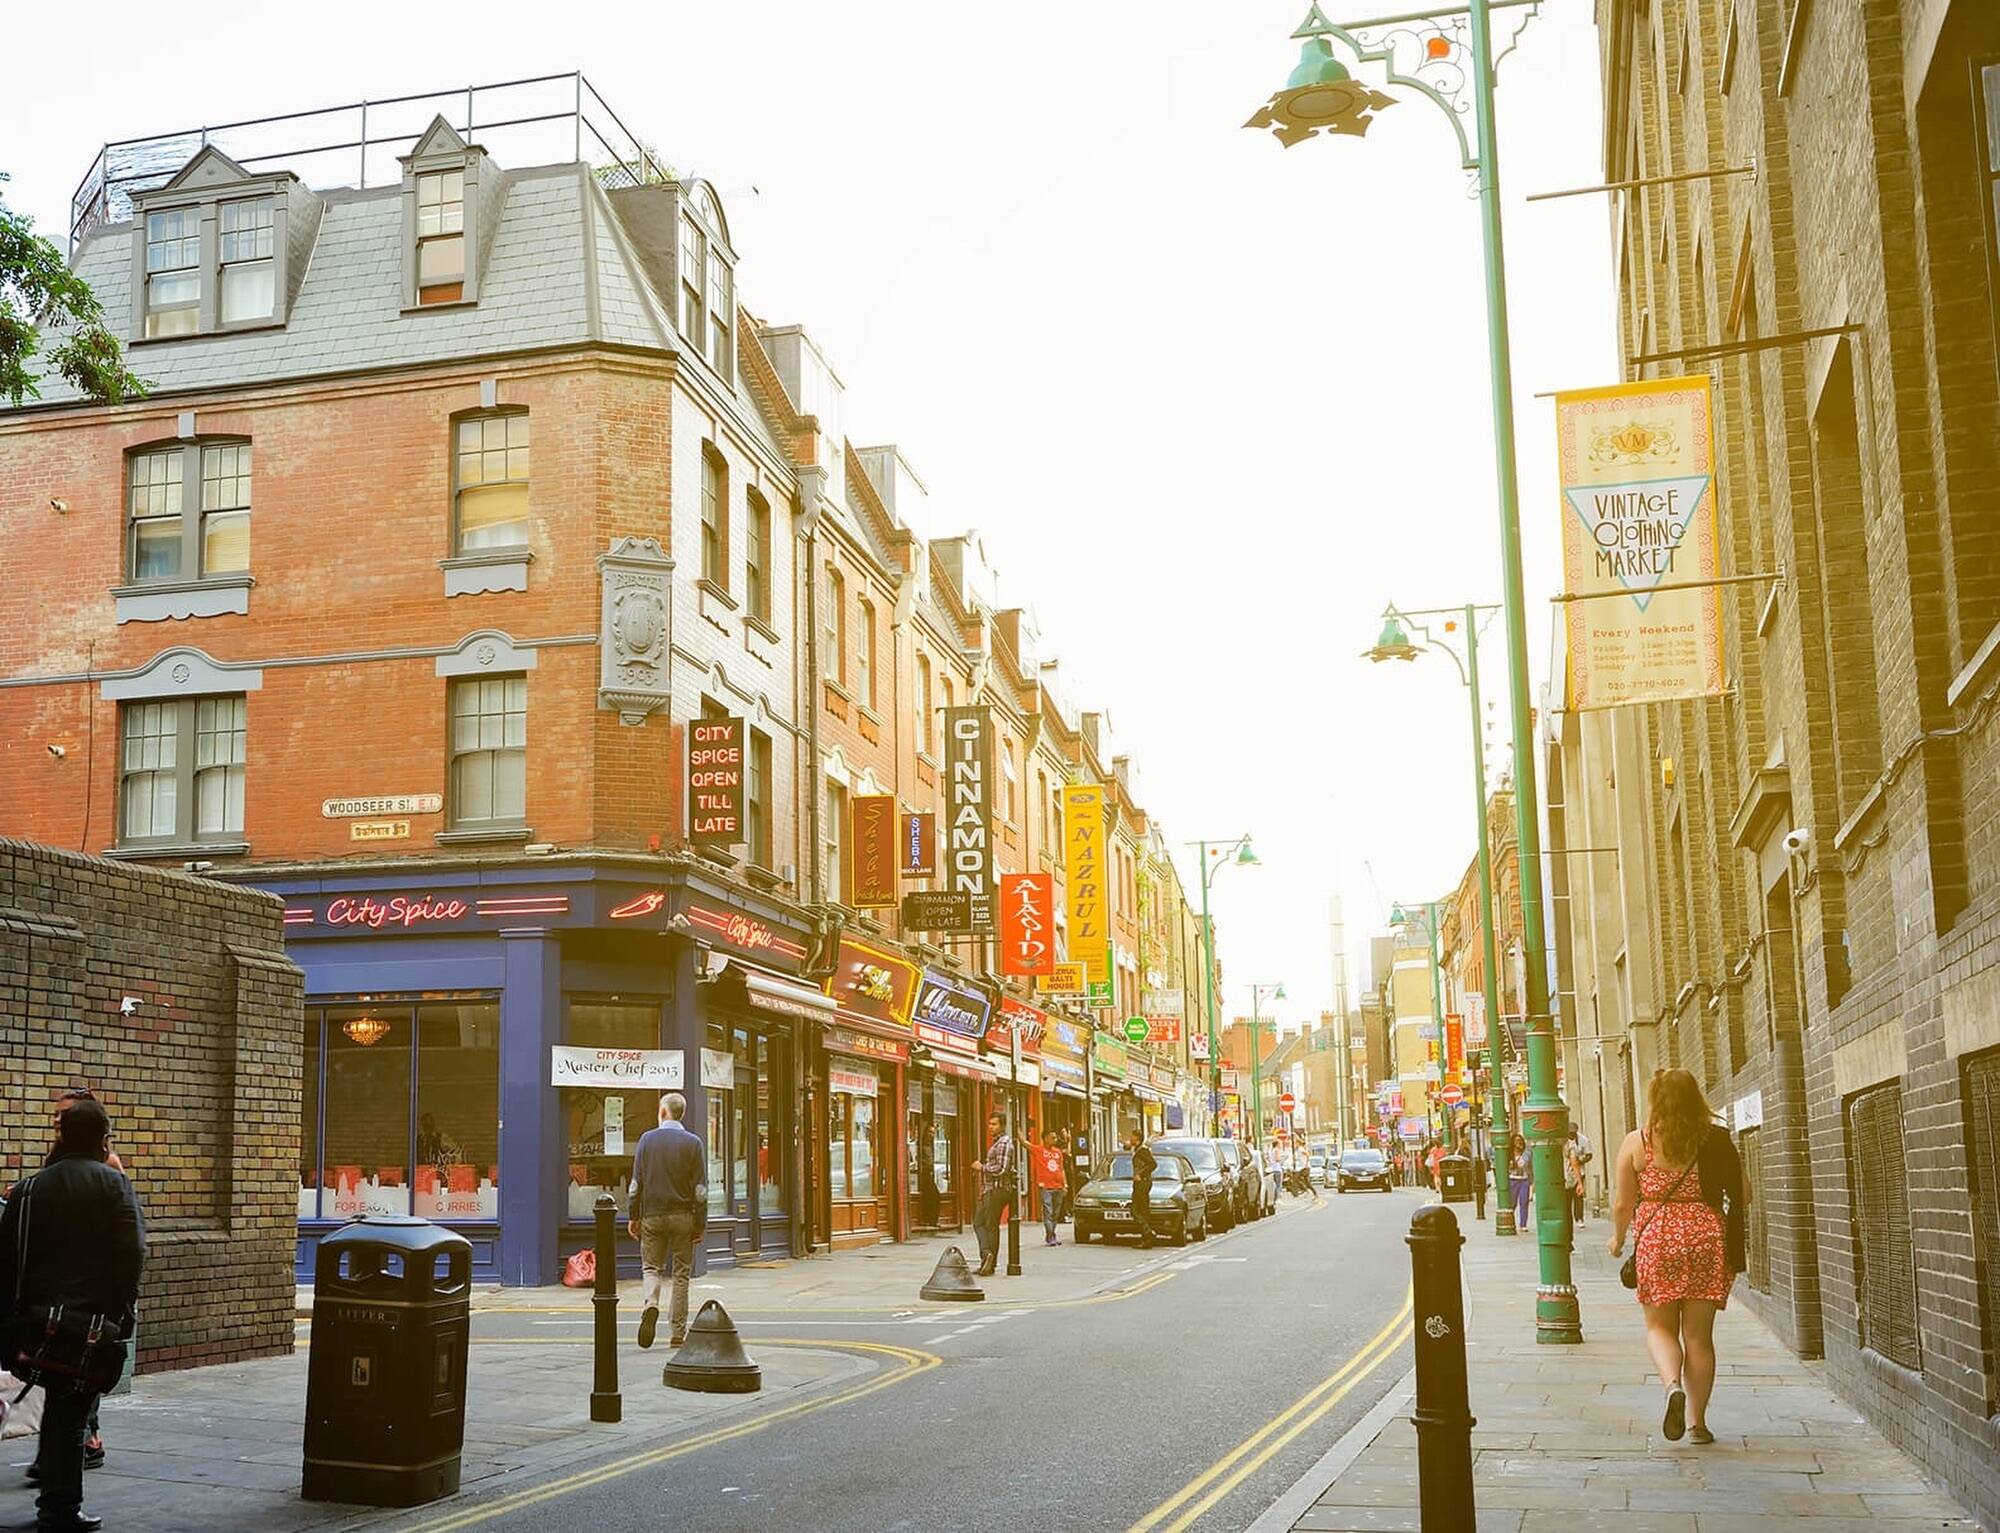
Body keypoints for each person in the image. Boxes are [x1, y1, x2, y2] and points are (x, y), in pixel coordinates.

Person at [1, 1098, 147, 1533]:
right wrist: (119, 1315)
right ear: (104, 1141)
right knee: (71, 1412)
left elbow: (7, 1258)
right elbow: (132, 1254)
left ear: (62, 1136)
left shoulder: (28, 1189)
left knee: (59, 1407)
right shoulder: (115, 1186)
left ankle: (54, 1493)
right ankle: (60, 1508)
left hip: (34, 1323)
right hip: (89, 1328)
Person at [1607, 1068, 1746, 1446]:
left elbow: (1623, 1203)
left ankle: (1672, 1387)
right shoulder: (1713, 1139)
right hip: (1705, 1236)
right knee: (1699, 1339)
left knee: (1659, 1329)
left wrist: (1618, 1240)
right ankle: (1698, 1423)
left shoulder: (1638, 1142)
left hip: (1658, 1239)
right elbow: (1743, 1194)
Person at [28, 1090, 123, 1488]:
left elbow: (122, 1238)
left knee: (76, 1378)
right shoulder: (55, 1165)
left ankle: (85, 1445)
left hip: (85, 1298)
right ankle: (59, 1460)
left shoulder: (107, 1166)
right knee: (62, 1381)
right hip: (60, 1297)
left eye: (63, 1116)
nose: (55, 1122)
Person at [627, 1092, 705, 1350]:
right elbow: (700, 1190)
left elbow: (635, 1184)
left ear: (662, 1112)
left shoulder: (647, 1140)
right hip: (683, 1216)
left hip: (652, 1214)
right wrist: (700, 1223)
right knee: (681, 1274)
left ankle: (651, 1304)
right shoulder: (694, 1143)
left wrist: (633, 1215)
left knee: (652, 1268)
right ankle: (677, 1333)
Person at [972, 1112, 1014, 1277]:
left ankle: (988, 1259)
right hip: (990, 1189)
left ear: (1002, 1126)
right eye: (989, 1124)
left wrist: (982, 1167)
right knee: (980, 1223)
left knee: (989, 1225)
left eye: (994, 1124)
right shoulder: (997, 1143)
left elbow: (1002, 1169)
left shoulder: (1004, 1143)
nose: (991, 1127)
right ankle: (987, 1257)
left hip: (998, 1189)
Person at [1031, 1129, 1066, 1246]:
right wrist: (1018, 1131)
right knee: (1048, 1211)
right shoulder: (1039, 1150)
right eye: (1053, 1137)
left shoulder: (1058, 1152)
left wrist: (1064, 1184)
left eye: (1055, 1137)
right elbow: (1025, 1144)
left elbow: (1062, 1169)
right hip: (1046, 1186)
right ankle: (1051, 1236)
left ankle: (1051, 1234)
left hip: (1059, 1186)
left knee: (1056, 1213)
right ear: (1045, 1138)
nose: (1055, 1140)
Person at [1125, 1129, 1158, 1249]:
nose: (1130, 1138)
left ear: (1137, 1138)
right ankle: (1146, 1239)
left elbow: (1153, 1164)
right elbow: (1125, 1147)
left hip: (1143, 1183)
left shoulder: (1143, 1150)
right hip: (1139, 1183)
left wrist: (1141, 1174)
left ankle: (1148, 1233)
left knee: (1136, 1210)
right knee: (1142, 1210)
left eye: (1132, 1137)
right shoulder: (1138, 1149)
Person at [1565, 1127, 1589, 1224]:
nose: (1571, 1135)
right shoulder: (1562, 1143)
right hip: (1564, 1177)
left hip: (1576, 1174)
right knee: (1567, 1200)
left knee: (1578, 1198)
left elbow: (1575, 1163)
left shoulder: (1582, 1141)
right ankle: (1568, 1219)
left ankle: (1579, 1217)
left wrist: (1579, 1183)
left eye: (1573, 1133)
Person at [1509, 1133, 1532, 1229]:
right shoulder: (1509, 1154)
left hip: (1524, 1180)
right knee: (1512, 1203)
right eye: (1517, 1141)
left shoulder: (1526, 1154)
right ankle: (1510, 1221)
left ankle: (1523, 1224)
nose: (1519, 1142)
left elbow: (1527, 1165)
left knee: (1524, 1202)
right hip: (1512, 1180)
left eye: (1521, 1140)